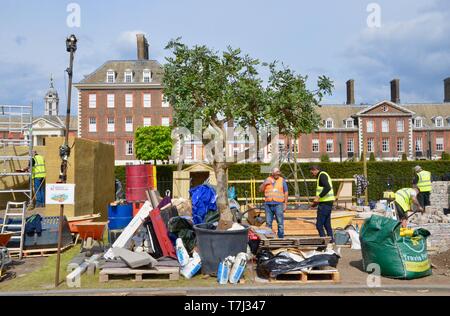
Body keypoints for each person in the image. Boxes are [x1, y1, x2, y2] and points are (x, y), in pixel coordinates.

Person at [259, 168, 288, 238]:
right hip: (268, 204)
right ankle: (269, 237)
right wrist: (264, 184)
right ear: (272, 173)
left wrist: (285, 204)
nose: (277, 175)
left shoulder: (282, 180)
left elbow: (286, 192)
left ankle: (281, 238)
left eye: (278, 173)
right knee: (268, 223)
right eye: (275, 173)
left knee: (280, 223)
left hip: (279, 204)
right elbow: (260, 190)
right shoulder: (267, 179)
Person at [310, 165, 335, 242]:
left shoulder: (322, 175)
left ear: (315, 170)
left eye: (312, 172)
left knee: (319, 225)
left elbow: (327, 187)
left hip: (325, 204)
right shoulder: (323, 175)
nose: (312, 174)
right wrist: (316, 203)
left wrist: (318, 197)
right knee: (327, 224)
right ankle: (331, 241)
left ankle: (324, 242)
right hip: (327, 203)